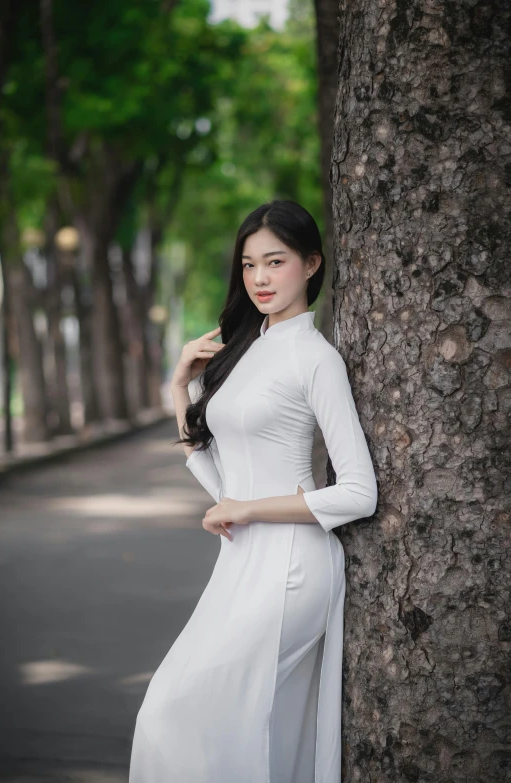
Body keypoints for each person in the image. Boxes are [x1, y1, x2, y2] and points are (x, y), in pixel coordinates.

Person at [128, 199, 378, 783]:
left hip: (292, 570)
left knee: (181, 714)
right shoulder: (247, 350)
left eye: (275, 261)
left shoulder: (317, 360)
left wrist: (249, 508)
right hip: (240, 561)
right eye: (248, 265)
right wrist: (178, 387)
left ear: (311, 264)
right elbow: (222, 490)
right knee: (239, 728)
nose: (260, 279)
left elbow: (359, 493)